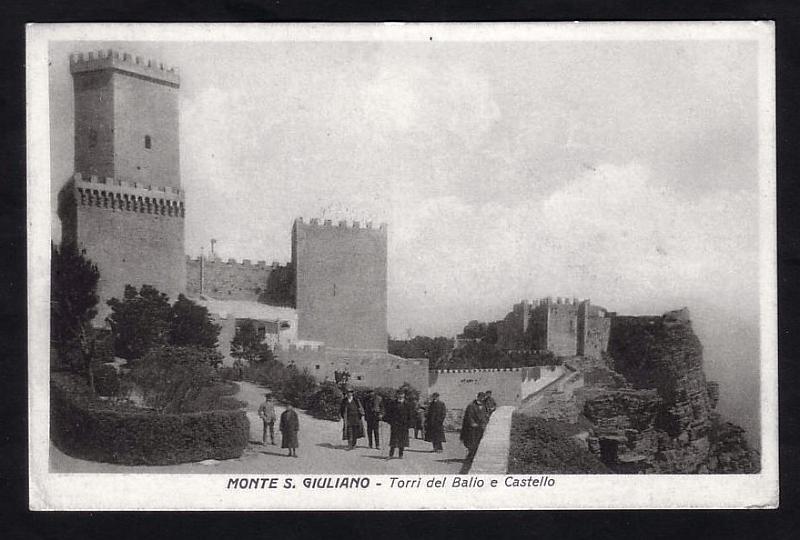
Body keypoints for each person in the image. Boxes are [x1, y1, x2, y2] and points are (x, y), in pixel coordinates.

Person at [384, 389, 415, 459]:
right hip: (395, 425)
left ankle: (401, 454)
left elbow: (410, 415)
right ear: (397, 395)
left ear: (404, 395)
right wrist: (390, 422)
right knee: (393, 440)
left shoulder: (407, 404)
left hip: (404, 425)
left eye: (402, 394)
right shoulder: (392, 403)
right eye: (399, 394)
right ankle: (391, 454)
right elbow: (389, 413)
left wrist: (409, 424)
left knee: (402, 440)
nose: (400, 396)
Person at [460, 392, 489, 462]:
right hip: (473, 428)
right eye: (481, 397)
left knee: (479, 442)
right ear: (478, 397)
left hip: (481, 427)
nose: (482, 399)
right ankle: (470, 456)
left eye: (483, 397)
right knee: (472, 442)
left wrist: (485, 423)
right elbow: (469, 416)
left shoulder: (484, 406)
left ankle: (474, 456)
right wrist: (473, 423)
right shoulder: (471, 406)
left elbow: (486, 415)